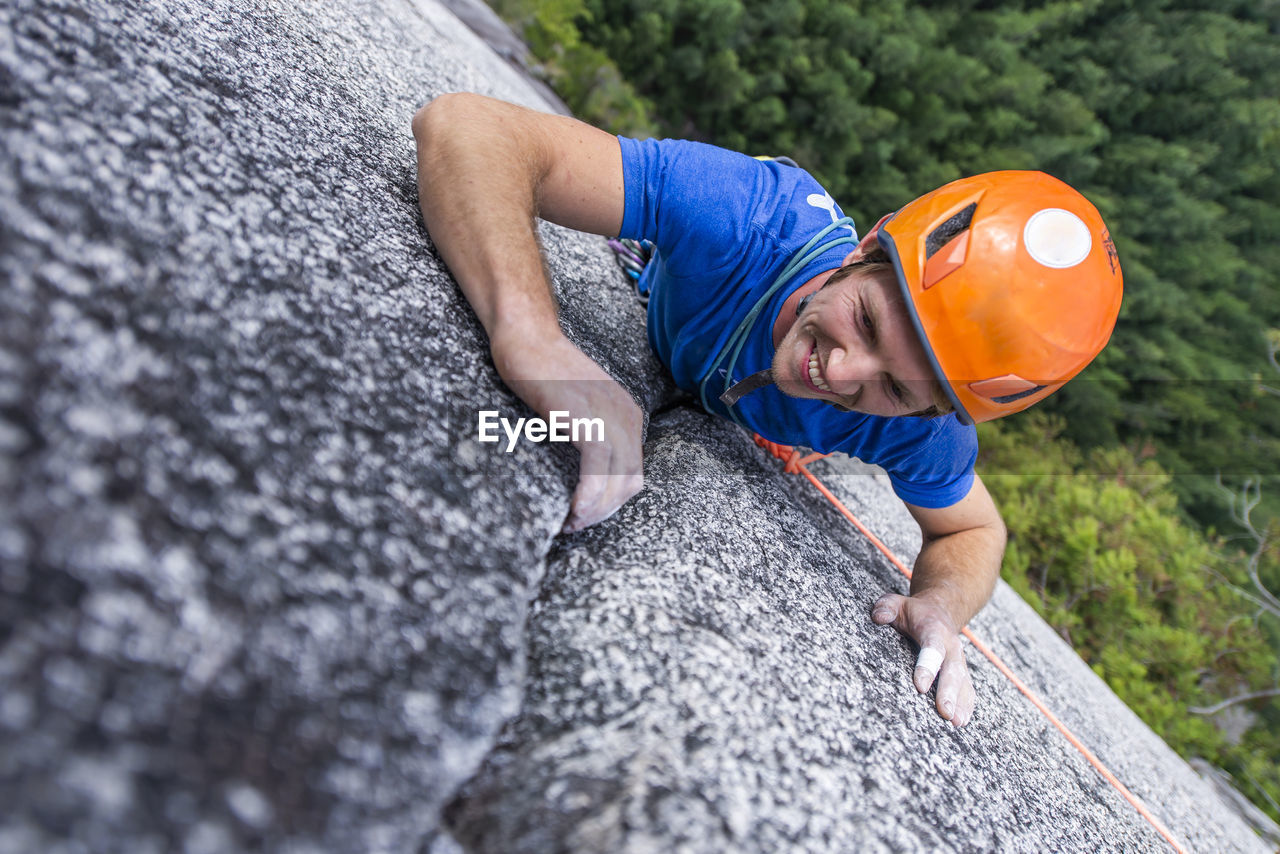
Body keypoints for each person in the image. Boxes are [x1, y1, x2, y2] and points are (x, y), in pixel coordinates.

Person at [412, 92, 1123, 728]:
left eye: (897, 390)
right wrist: (533, 338)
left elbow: (973, 528)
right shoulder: (751, 215)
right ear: (867, 250)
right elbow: (468, 128)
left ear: (929, 409)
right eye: (867, 321)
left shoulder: (919, 426)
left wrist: (941, 603)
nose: (841, 372)